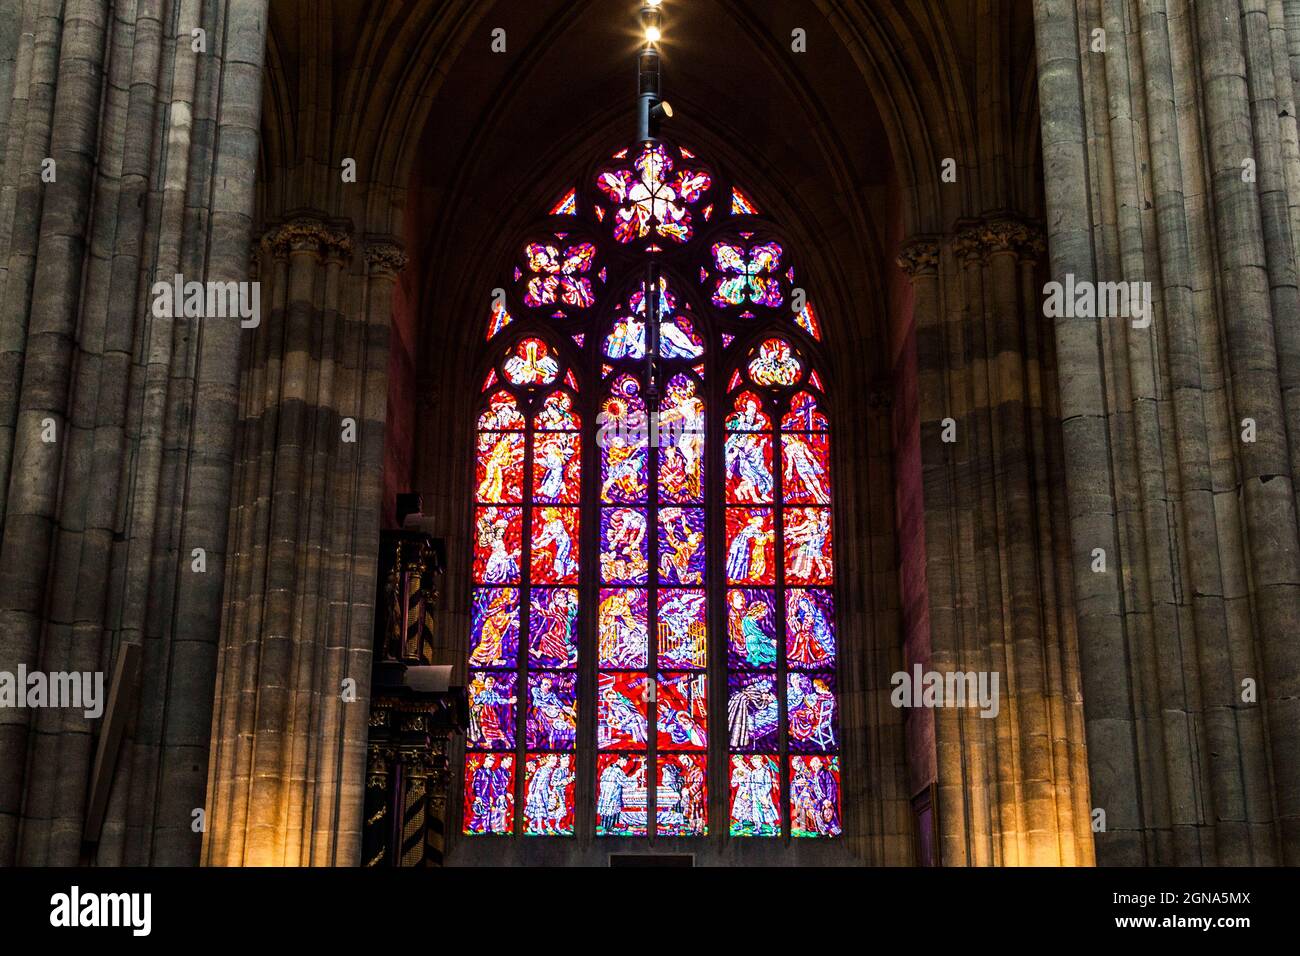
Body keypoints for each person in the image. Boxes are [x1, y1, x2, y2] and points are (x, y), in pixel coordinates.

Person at [730, 754, 779, 835]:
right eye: (753, 763)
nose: (755, 764)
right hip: (754, 794)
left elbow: (768, 784)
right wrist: (739, 781)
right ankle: (758, 827)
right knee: (756, 811)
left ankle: (773, 828)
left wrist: (764, 794)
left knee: (766, 811)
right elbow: (750, 782)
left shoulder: (765, 771)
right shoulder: (753, 772)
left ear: (760, 761)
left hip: (763, 794)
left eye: (756, 762)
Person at [597, 756, 637, 833]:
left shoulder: (607, 769)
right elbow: (625, 783)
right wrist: (635, 776)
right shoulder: (617, 771)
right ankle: (609, 829)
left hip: (605, 796)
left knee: (606, 814)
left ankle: (606, 829)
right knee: (611, 813)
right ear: (620, 760)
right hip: (613, 797)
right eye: (624, 762)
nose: (625, 765)